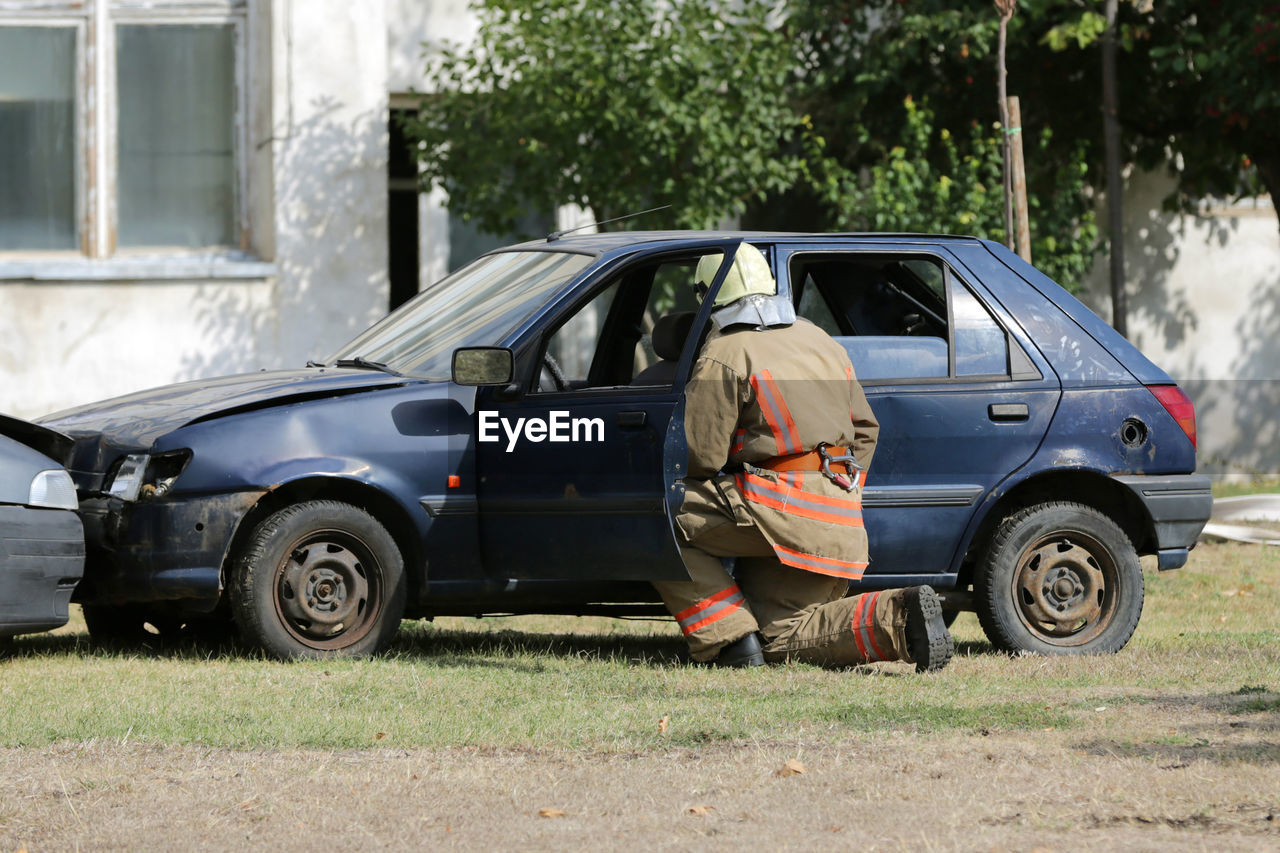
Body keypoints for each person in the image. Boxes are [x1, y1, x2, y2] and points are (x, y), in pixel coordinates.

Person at [652, 244, 954, 671]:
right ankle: (901, 618)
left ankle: (729, 640)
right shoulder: (820, 340)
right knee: (783, 634)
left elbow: (700, 456)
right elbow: (866, 430)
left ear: (707, 298)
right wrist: (833, 492)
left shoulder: (726, 352)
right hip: (840, 514)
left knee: (654, 518)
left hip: (781, 510)